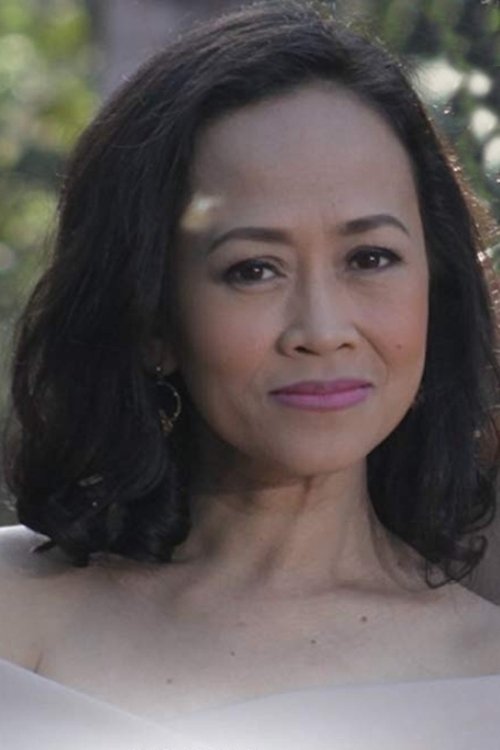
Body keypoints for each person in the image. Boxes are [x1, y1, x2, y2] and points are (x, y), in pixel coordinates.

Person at [1, 1, 500, 746]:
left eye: (370, 258)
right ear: (153, 319)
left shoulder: (484, 673)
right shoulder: (13, 611)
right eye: (253, 269)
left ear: (437, 285)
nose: (322, 331)